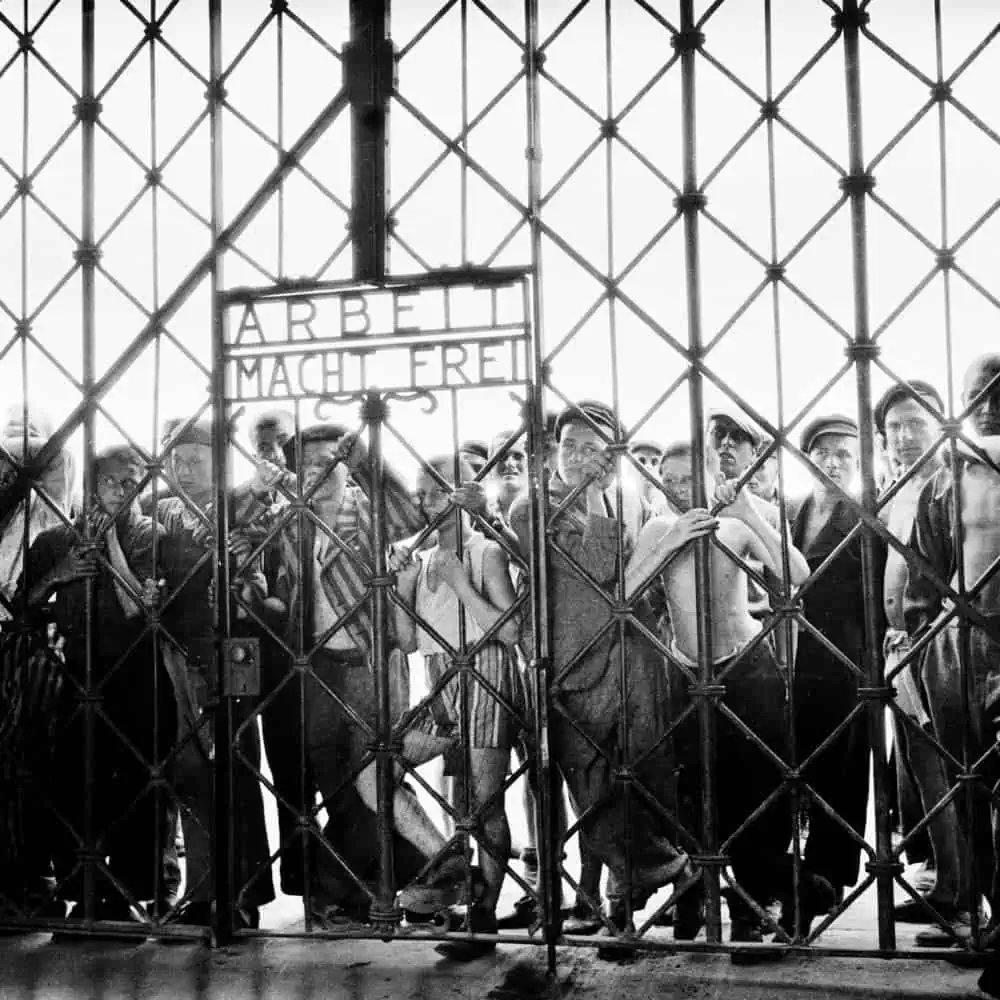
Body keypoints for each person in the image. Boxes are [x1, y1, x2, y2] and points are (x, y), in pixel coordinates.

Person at [509, 401, 692, 957]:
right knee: (590, 786)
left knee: (637, 778)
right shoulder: (529, 507)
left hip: (631, 657)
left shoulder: (629, 499)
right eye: (572, 448)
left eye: (596, 450)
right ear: (553, 452)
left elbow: (635, 585)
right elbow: (596, 573)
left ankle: (626, 912)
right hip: (570, 663)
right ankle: (677, 869)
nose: (582, 459)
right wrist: (592, 494)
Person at [627, 441, 819, 957]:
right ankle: (693, 897)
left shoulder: (735, 522)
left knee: (753, 786)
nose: (679, 489)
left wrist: (748, 511)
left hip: (744, 665)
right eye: (669, 478)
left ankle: (752, 910)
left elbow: (797, 574)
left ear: (714, 474)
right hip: (685, 670)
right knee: (688, 786)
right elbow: (621, 595)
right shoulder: (654, 528)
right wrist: (669, 543)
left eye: (690, 478)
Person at [273, 422, 440, 929]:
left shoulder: (367, 511)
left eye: (332, 460)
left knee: (374, 773)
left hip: (369, 663)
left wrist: (370, 456)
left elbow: (411, 514)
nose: (320, 473)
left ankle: (392, 886)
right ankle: (367, 890)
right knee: (333, 779)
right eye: (307, 464)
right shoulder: (289, 521)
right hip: (316, 666)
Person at [17, 445, 176, 924]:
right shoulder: (51, 540)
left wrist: (107, 542)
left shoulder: (150, 533)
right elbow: (23, 608)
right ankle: (82, 887)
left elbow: (137, 610)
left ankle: (132, 894)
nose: (123, 492)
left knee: (136, 782)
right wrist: (56, 576)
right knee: (73, 780)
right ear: (91, 484)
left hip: (135, 673)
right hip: (76, 672)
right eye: (113, 482)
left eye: (133, 484)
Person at [388, 453, 522, 959]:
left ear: (463, 495)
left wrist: (462, 585)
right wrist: (401, 586)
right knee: (375, 774)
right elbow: (405, 642)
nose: (424, 502)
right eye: (421, 493)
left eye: (434, 492)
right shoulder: (415, 558)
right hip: (441, 679)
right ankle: (448, 860)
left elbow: (509, 630)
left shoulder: (485, 551)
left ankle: (482, 920)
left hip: (486, 672)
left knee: (482, 803)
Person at [156, 419, 275, 928]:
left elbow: (259, 581)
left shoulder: (240, 504)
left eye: (194, 458)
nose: (183, 468)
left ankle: (241, 895)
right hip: (175, 649)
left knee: (234, 767)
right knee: (188, 773)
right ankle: (200, 889)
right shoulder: (160, 508)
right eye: (176, 460)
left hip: (230, 650)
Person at [904, 354, 1000, 949]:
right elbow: (922, 578)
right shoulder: (945, 481)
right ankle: (990, 917)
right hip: (957, 650)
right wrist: (927, 647)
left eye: (998, 390)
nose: (987, 403)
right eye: (976, 393)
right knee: (968, 789)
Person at [786, 414, 885, 932]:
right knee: (797, 758)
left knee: (841, 765)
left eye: (846, 453)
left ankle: (828, 873)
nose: (833, 462)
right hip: (797, 656)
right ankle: (798, 868)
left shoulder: (867, 514)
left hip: (847, 656)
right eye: (824, 452)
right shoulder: (794, 509)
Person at [874, 380, 967, 928]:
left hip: (940, 643)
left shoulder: (952, 479)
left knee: (952, 771)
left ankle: (964, 906)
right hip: (901, 647)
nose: (905, 437)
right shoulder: (896, 485)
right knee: (922, 771)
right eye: (894, 428)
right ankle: (950, 887)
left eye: (916, 423)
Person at [0, 408, 76, 916]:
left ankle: (31, 876)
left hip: (35, 645)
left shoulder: (53, 521)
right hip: (13, 639)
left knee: (32, 761)